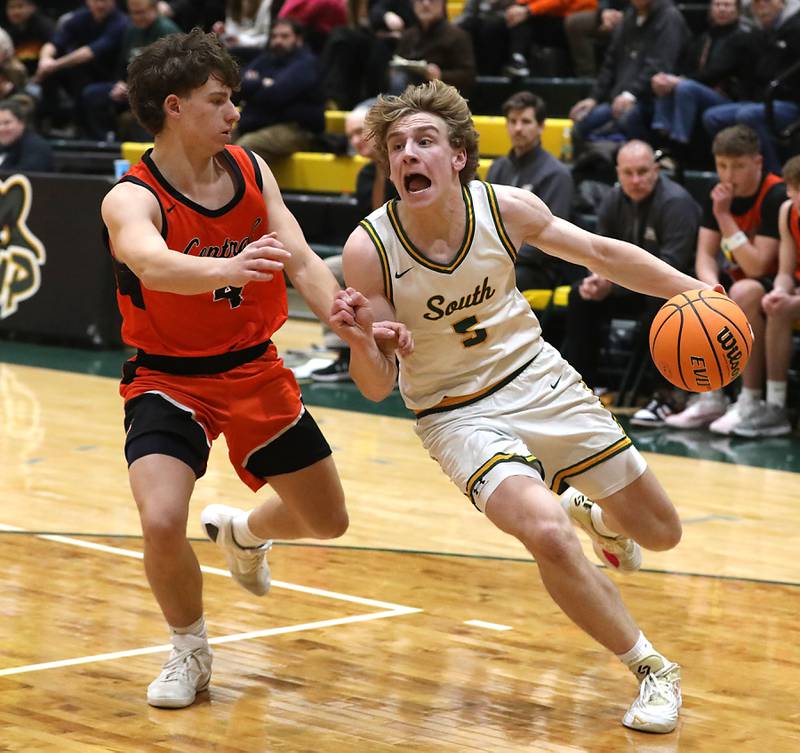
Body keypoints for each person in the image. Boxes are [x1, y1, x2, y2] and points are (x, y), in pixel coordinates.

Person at [330, 80, 720, 734]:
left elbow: (600, 253)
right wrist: (364, 339)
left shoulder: (504, 208)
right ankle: (653, 667)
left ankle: (596, 514)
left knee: (661, 532)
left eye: (424, 140)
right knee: (543, 530)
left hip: (537, 377)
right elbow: (373, 385)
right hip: (455, 411)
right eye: (396, 145)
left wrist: (699, 291)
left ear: (457, 155)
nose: (407, 154)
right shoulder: (369, 249)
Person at [100, 29, 408, 709]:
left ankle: (245, 531)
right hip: (167, 377)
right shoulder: (132, 196)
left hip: (254, 367)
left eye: (234, 97)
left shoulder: (250, 168)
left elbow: (299, 258)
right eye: (219, 99)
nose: (234, 110)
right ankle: (189, 650)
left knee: (328, 520)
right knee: (159, 518)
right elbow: (150, 261)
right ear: (175, 107)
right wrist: (227, 268)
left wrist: (349, 319)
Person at [562, 139, 701, 423]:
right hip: (625, 286)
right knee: (581, 296)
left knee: (661, 303)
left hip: (673, 289)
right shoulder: (613, 200)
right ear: (617, 173)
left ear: (656, 170)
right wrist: (597, 280)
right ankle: (581, 387)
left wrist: (611, 283)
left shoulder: (676, 203)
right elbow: (597, 251)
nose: (635, 180)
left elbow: (670, 270)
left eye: (642, 171)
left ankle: (663, 395)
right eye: (628, 173)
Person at [665, 124, 786, 434]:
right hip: (738, 283)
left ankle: (752, 400)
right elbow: (704, 257)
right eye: (722, 166)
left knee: (745, 290)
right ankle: (711, 395)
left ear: (758, 162)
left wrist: (725, 217)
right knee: (698, 299)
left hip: (775, 282)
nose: (729, 175)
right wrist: (708, 290)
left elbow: (758, 265)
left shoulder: (775, 194)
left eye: (738, 166)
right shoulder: (716, 196)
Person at [308, 100, 398, 382]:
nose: (355, 141)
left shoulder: (403, 167)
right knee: (328, 269)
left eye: (361, 132)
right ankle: (343, 353)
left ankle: (387, 356)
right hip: (378, 255)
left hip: (406, 256)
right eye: (350, 136)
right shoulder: (366, 175)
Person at [734, 154, 800, 436]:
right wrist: (780, 291)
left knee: (783, 307)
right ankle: (774, 406)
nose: (793, 198)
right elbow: (785, 272)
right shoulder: (788, 212)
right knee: (775, 306)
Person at [486, 90, 577, 294]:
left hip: (538, 268)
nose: (518, 128)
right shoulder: (498, 168)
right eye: (513, 121)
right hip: (497, 260)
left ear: (541, 126)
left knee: (494, 283)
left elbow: (552, 241)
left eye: (526, 122)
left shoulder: (557, 174)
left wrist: (496, 255)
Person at [569, 0, 688, 145]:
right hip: (618, 98)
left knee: (627, 120)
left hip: (650, 101)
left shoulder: (669, 17)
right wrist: (593, 98)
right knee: (581, 124)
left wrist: (630, 94)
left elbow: (659, 66)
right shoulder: (628, 16)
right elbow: (610, 63)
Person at [81, 0, 181, 140]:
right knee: (91, 95)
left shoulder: (167, 31)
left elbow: (172, 74)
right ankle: (104, 141)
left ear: (154, 9)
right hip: (130, 89)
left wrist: (135, 89)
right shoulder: (132, 30)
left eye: (141, 12)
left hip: (156, 92)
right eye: (133, 13)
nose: (136, 17)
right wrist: (120, 83)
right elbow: (122, 64)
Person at [235, 18, 326, 164]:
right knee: (220, 145)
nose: (278, 41)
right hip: (259, 123)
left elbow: (275, 95)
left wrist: (255, 84)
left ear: (299, 39)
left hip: (296, 129)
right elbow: (238, 84)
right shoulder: (267, 58)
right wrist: (263, 83)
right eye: (274, 36)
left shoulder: (306, 63)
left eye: (284, 36)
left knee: (244, 149)